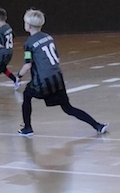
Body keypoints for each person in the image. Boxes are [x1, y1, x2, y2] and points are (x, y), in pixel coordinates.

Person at [16, 9, 108, 137]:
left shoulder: (28, 43)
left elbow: (27, 65)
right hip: (57, 79)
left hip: (43, 82)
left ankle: (27, 128)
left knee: (27, 94)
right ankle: (98, 125)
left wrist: (18, 76)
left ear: (29, 26)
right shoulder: (48, 37)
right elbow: (57, 59)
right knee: (68, 108)